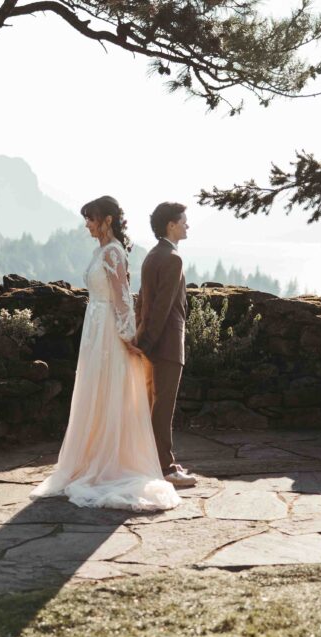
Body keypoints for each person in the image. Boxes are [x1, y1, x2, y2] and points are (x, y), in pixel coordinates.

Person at [31, 196, 181, 511]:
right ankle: (89, 458)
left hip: (110, 333)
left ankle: (111, 461)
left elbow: (123, 298)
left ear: (107, 220)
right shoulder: (100, 251)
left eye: (91, 218)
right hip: (95, 329)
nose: (87, 224)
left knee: (110, 391)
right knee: (94, 391)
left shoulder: (113, 252)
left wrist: (129, 337)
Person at [135, 202, 196, 487]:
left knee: (154, 406)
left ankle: (154, 461)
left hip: (151, 344)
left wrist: (141, 338)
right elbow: (162, 306)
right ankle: (166, 468)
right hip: (167, 344)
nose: (187, 225)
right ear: (171, 225)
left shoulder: (152, 255)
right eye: (183, 221)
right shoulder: (173, 258)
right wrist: (147, 342)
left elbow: (142, 301)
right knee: (162, 409)